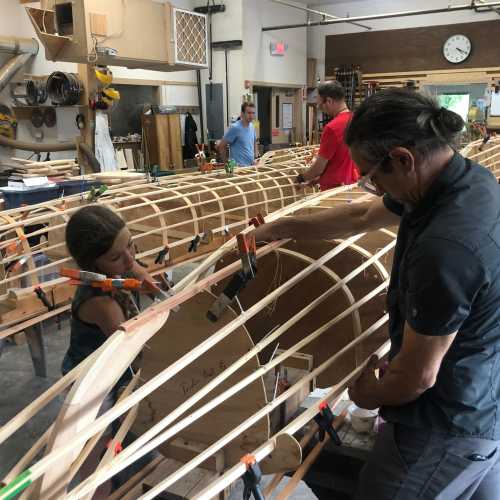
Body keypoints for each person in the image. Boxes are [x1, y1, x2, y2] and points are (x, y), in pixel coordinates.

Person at [253, 88, 500, 499]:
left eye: (372, 174)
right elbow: (362, 214)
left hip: (444, 421)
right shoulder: (465, 181)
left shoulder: (445, 247)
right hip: (484, 396)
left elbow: (417, 378)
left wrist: (365, 394)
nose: (370, 184)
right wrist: (280, 228)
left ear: (403, 158)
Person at [63, 205, 161, 489]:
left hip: (118, 369)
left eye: (131, 245)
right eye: (116, 256)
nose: (129, 258)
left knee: (126, 439)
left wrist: (151, 284)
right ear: (93, 266)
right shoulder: (101, 304)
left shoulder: (120, 266)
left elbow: (137, 270)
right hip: (92, 384)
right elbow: (136, 351)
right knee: (94, 456)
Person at [297, 81, 359, 190]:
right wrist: (318, 179)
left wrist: (302, 178)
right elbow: (340, 161)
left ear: (329, 101)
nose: (322, 109)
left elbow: (319, 168)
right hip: (352, 186)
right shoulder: (356, 120)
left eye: (320, 106)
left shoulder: (332, 127)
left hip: (334, 189)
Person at [217, 102, 258, 166]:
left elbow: (254, 141)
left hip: (251, 166)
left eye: (253, 113)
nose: (251, 116)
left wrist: (255, 157)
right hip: (238, 168)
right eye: (249, 113)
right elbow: (221, 146)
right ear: (242, 113)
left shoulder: (252, 126)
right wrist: (227, 163)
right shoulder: (235, 128)